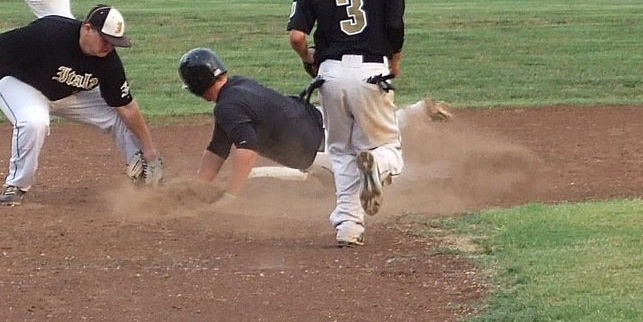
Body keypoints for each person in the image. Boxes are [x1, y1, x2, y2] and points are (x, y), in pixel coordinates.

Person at [287, 0, 406, 247]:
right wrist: (395, 61)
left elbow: (296, 35)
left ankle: (349, 226)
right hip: (372, 70)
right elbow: (394, 24)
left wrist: (308, 59)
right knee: (387, 148)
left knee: (340, 151)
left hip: (331, 74)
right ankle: (378, 167)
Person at [178, 48, 452, 199]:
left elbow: (246, 151)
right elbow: (217, 148)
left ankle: (445, 180)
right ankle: (416, 112)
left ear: (196, 87)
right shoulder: (239, 87)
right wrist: (197, 187)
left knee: (365, 186)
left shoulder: (227, 107)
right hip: (324, 117)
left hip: (320, 153)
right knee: (374, 125)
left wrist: (231, 197)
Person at [0, 4, 163, 205]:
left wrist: (149, 147)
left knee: (117, 116)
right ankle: (16, 186)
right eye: (106, 40)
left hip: (65, 94)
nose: (109, 47)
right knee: (35, 122)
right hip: (20, 84)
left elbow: (127, 107)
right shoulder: (50, 32)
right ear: (88, 29)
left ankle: (144, 180)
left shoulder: (108, 61)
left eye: (114, 43)